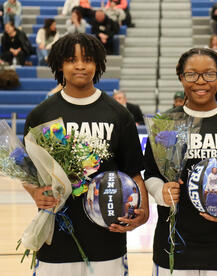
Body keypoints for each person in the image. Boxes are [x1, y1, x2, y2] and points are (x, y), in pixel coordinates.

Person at [23, 33, 149, 276]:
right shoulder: (42, 115)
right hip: (55, 238)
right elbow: (28, 173)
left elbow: (133, 173)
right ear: (60, 64)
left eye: (88, 59)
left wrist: (143, 212)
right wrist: (35, 192)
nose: (80, 65)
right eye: (72, 59)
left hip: (107, 237)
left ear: (98, 63)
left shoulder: (119, 115)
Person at [144, 48, 217, 275]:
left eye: (209, 74)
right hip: (172, 244)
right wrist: (159, 192)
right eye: (192, 74)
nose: (200, 81)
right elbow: (151, 174)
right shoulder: (165, 123)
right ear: (181, 77)